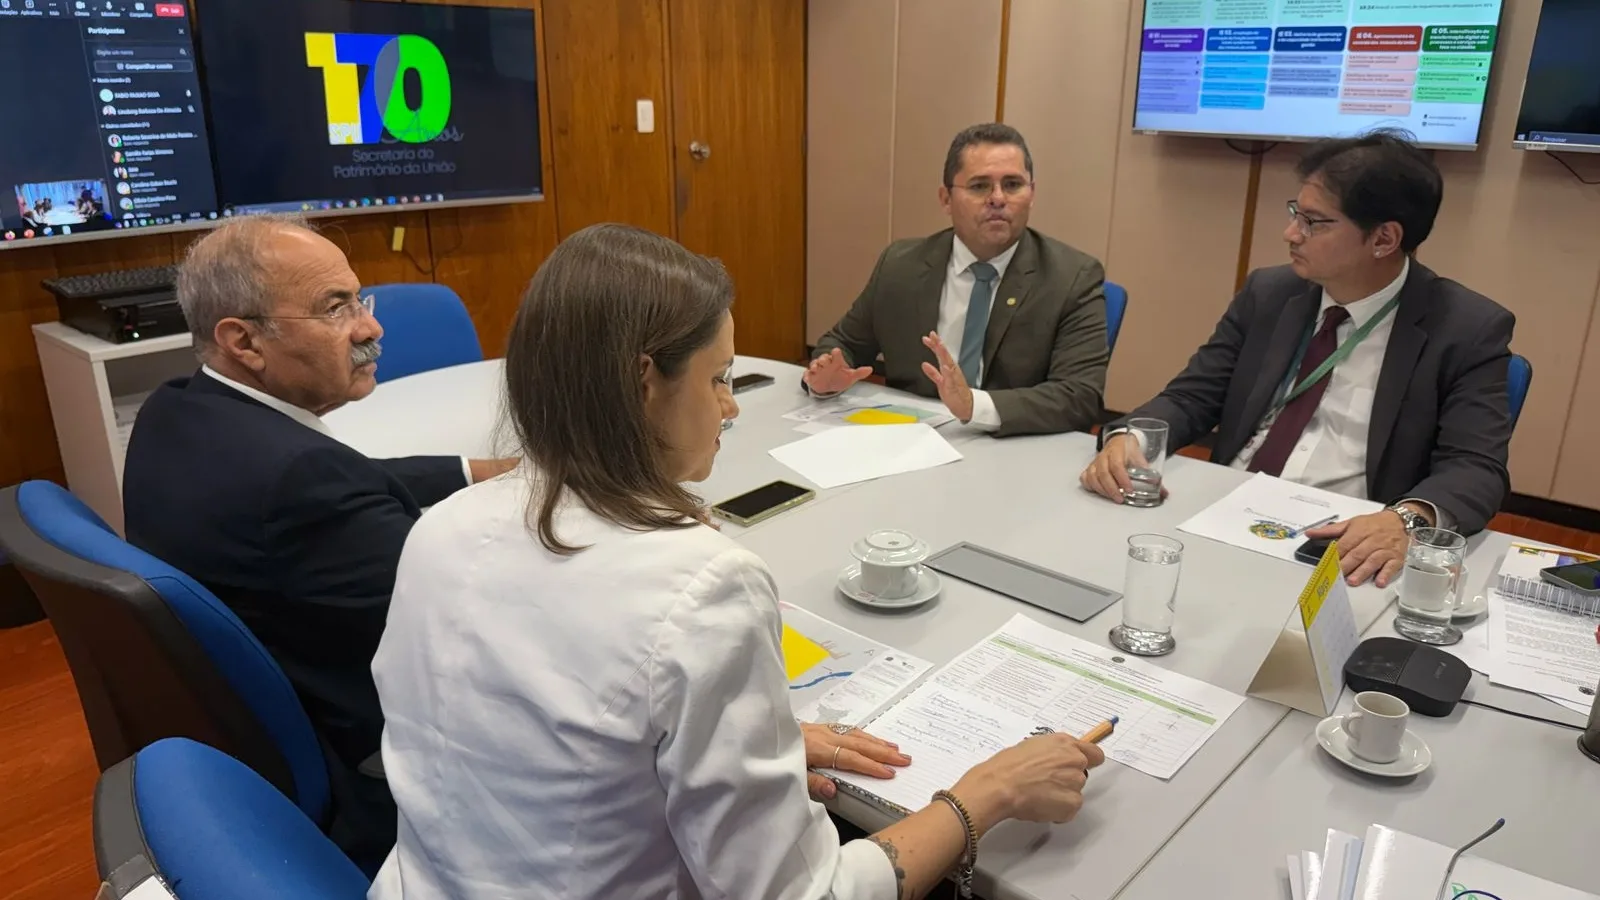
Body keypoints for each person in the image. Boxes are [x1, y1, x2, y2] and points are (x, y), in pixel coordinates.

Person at [370, 223, 1105, 900]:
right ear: (643, 381)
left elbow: (543, 730)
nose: (732, 407)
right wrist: (985, 793)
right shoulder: (701, 589)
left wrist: (738, 741)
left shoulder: (442, 526)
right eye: (719, 378)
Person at [122, 215, 513, 867]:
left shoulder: (178, 409)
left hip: (258, 726)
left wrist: (476, 471)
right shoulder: (302, 489)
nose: (370, 327)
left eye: (361, 299)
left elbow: (349, 481)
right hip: (378, 754)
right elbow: (484, 612)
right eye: (336, 309)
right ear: (243, 341)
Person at [1082, 129, 1514, 588]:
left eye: (1314, 222)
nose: (1291, 233)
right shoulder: (1270, 294)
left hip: (1341, 548)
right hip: (1225, 515)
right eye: (1295, 213)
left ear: (1384, 239)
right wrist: (1132, 437)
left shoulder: (1465, 328)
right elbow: (1193, 396)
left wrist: (1407, 520)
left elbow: (1476, 467)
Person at [806, 123, 1110, 437]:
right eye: (979, 186)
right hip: (909, 442)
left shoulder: (1073, 276)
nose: (997, 198)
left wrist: (973, 406)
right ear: (946, 199)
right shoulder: (900, 265)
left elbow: (1079, 396)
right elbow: (843, 345)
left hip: (1012, 448)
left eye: (1012, 184)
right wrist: (825, 380)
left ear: (1032, 194)